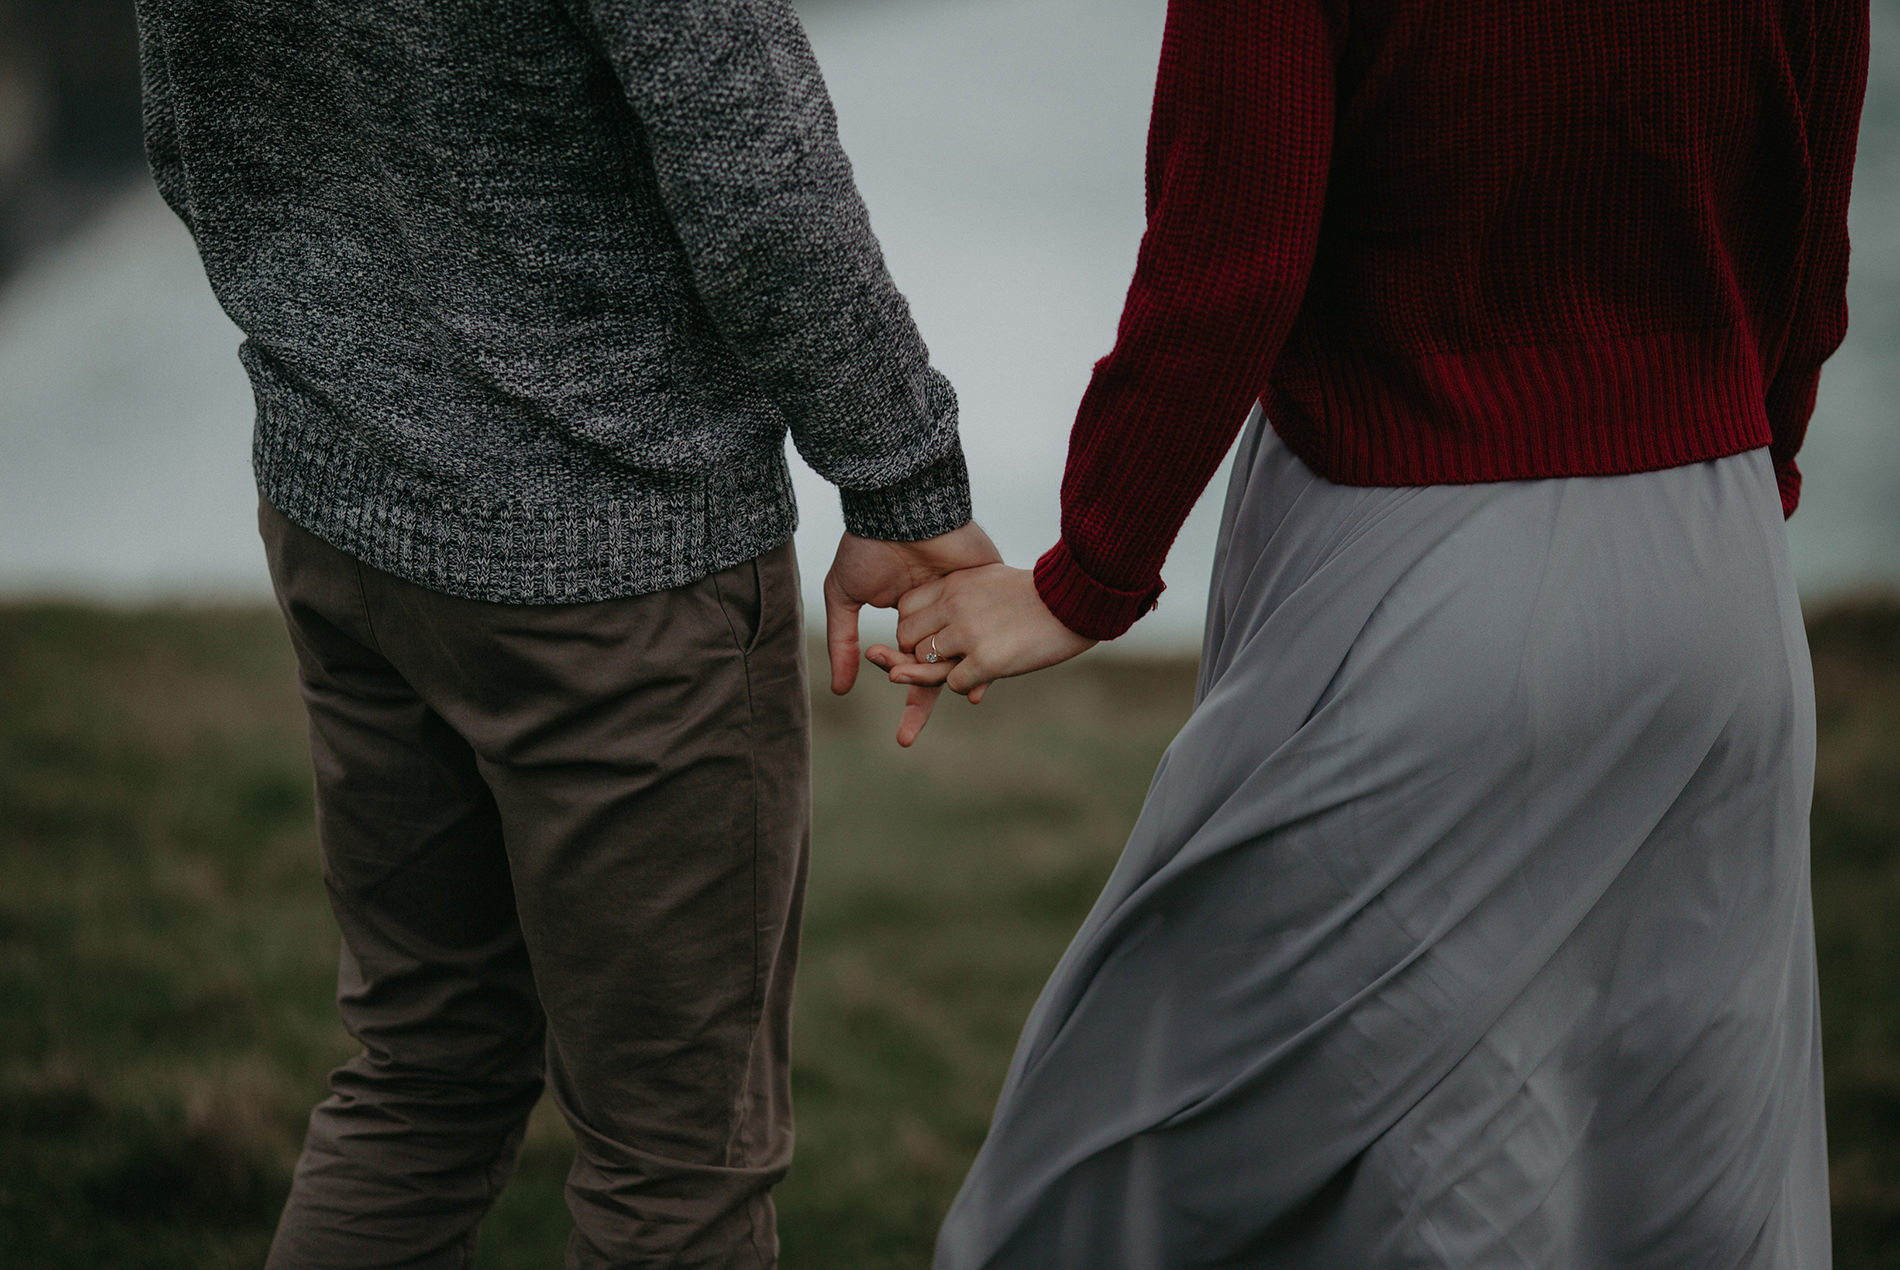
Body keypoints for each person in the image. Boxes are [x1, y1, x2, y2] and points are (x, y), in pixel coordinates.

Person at [880, 1, 1869, 1265]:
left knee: (1133, 1170)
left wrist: (1089, 572)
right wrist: (1728, 483)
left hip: (1419, 578)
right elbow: (1807, 248)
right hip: (1718, 578)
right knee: (1666, 1189)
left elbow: (1233, 253)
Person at [135, 0, 995, 1265]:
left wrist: (344, 349)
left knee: (420, 1077)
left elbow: (194, 112)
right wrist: (904, 480)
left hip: (343, 508)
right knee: (676, 1171)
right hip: (620, 568)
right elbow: (751, 158)